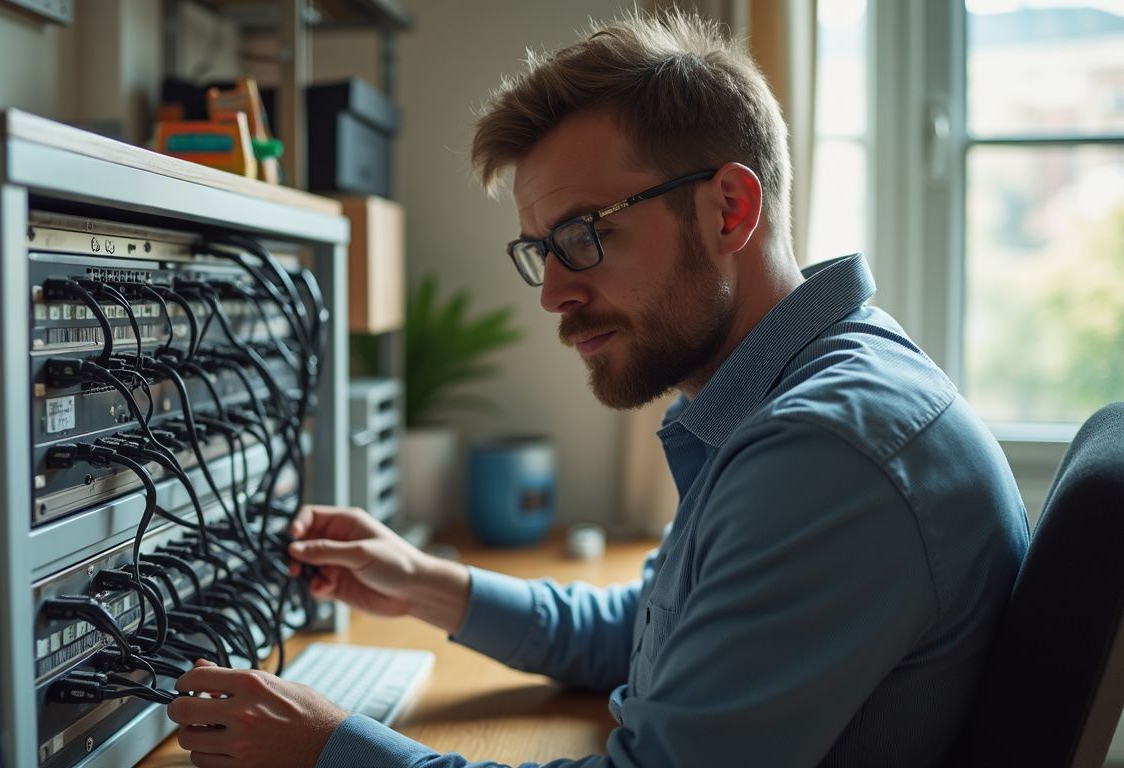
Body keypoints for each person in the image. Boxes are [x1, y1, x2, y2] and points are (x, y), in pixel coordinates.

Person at [166, 9, 1029, 767]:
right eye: (540, 249)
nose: (552, 291)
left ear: (730, 208)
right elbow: (647, 634)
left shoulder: (825, 453)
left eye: (582, 236)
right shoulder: (781, 395)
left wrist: (331, 752)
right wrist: (425, 582)